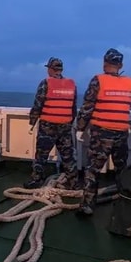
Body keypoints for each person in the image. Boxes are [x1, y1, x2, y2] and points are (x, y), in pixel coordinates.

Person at [75, 48, 131, 216]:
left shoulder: (98, 80)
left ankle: (87, 206)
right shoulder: (130, 82)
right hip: (122, 134)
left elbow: (87, 107)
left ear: (104, 63)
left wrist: (80, 128)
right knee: (121, 169)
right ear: (121, 65)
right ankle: (127, 202)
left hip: (101, 134)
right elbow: (128, 105)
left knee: (92, 170)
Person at [24, 57, 79, 189]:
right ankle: (73, 182)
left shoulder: (46, 83)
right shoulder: (71, 85)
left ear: (50, 69)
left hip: (48, 126)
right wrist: (69, 122)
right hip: (65, 126)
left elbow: (38, 103)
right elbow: (73, 107)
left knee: (41, 155)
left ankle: (37, 180)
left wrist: (32, 120)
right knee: (68, 156)